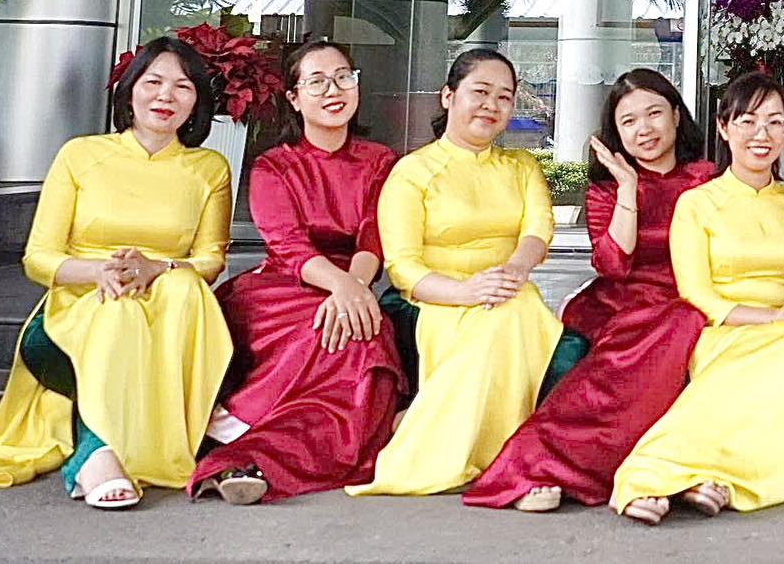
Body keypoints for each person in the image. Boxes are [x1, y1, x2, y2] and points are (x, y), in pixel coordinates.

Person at [0, 37, 232, 507]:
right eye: (154, 82)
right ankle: (116, 446)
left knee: (183, 285)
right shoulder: (80, 155)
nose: (166, 96)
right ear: (130, 90)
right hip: (72, 315)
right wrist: (100, 271)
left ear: (197, 101)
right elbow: (38, 258)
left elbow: (210, 261)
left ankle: (99, 456)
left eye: (183, 87)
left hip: (165, 316)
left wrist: (158, 268)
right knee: (119, 308)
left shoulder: (209, 169)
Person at [464, 69, 719, 512]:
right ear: (616, 133)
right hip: (624, 302)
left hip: (693, 296)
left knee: (684, 320)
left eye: (654, 114)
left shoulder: (709, 179)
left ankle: (658, 469)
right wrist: (629, 190)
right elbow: (613, 265)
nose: (644, 129)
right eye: (629, 121)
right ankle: (540, 464)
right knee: (666, 331)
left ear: (677, 116)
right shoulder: (606, 190)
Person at [610, 74, 784, 523]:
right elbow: (696, 294)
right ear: (723, 128)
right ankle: (652, 471)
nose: (762, 134)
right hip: (725, 326)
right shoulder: (697, 204)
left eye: (775, 122)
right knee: (772, 355)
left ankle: (727, 478)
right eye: (748, 121)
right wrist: (769, 317)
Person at [190, 39, 401, 505]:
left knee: (363, 339)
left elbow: (374, 236)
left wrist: (354, 289)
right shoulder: (274, 166)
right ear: (294, 97)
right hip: (283, 286)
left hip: (356, 280)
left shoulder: (381, 161)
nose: (334, 90)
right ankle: (243, 424)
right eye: (317, 81)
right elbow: (287, 244)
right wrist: (345, 289)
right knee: (326, 330)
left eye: (343, 77)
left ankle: (248, 453)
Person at [348, 50, 565, 497]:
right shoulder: (412, 171)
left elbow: (538, 229)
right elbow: (403, 266)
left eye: (504, 96)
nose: (491, 105)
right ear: (448, 96)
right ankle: (504, 464)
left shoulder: (522, 166)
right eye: (480, 92)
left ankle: (454, 442)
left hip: (508, 287)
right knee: (504, 317)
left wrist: (512, 271)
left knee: (514, 309)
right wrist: (467, 291)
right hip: (437, 298)